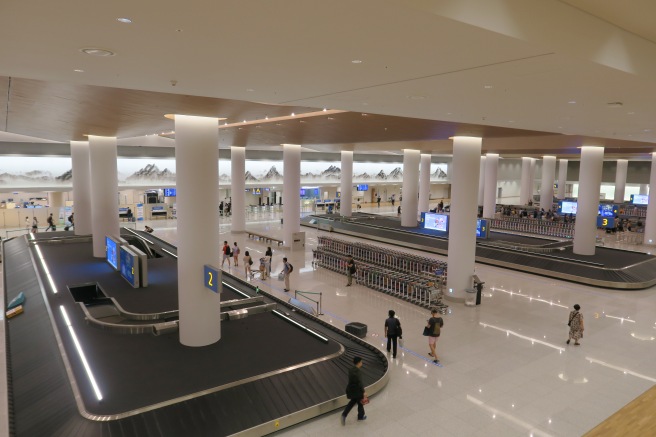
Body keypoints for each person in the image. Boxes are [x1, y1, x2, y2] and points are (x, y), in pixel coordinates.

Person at [341, 356, 367, 425]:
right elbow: (360, 382)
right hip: (358, 390)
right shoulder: (358, 371)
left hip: (351, 389)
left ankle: (344, 415)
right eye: (361, 362)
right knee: (360, 403)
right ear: (358, 363)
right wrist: (364, 391)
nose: (362, 363)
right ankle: (360, 417)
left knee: (352, 402)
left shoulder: (350, 369)